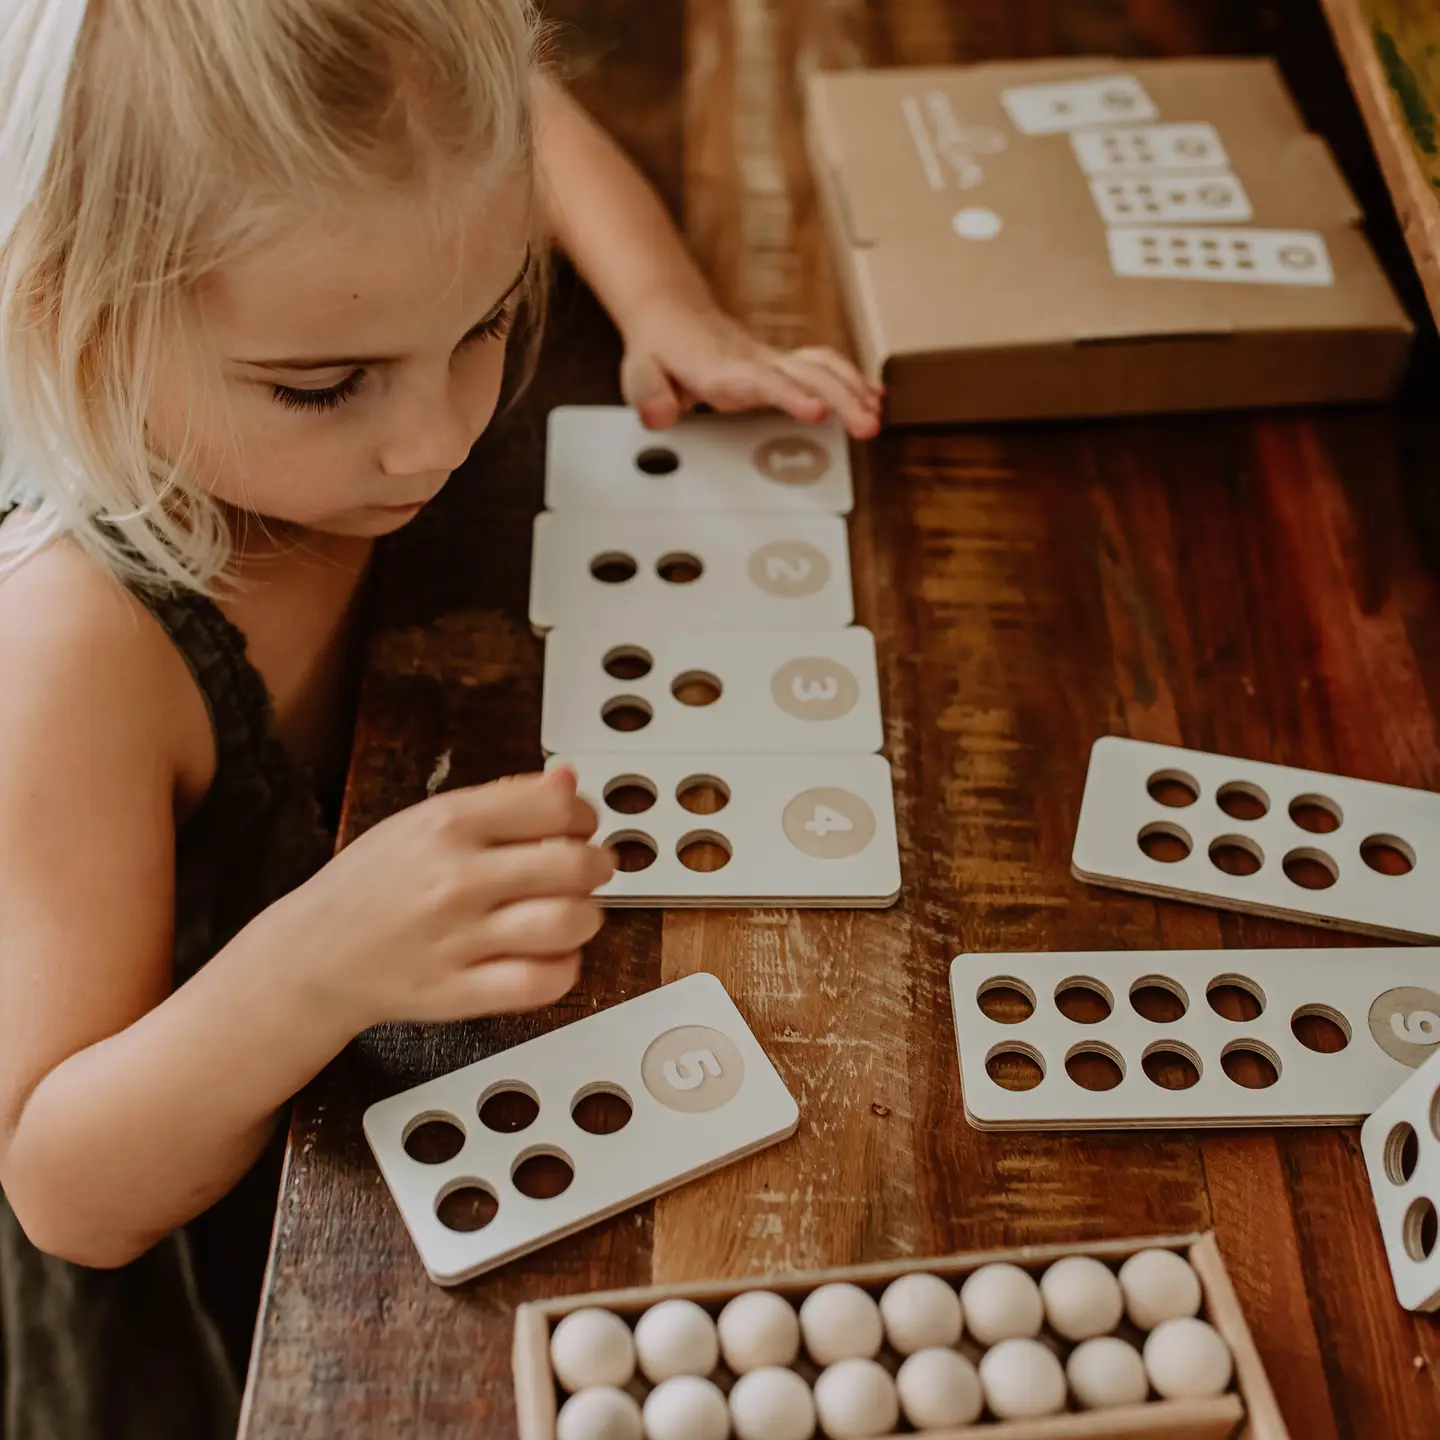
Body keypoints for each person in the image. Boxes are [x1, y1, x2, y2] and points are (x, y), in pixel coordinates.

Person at [0, 1, 882, 1434]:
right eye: (322, 386)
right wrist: (319, 962)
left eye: (485, 321)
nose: (436, 436)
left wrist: (668, 305)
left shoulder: (396, 225)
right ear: (67, 316)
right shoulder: (70, 653)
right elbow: (63, 1184)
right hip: (211, 1250)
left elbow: (526, 124)